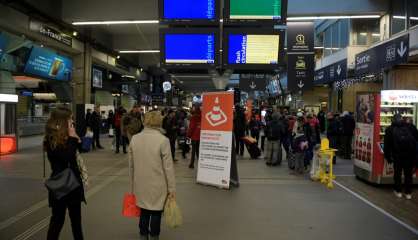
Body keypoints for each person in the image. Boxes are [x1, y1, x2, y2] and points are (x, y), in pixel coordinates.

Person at [128, 111, 176, 240]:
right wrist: (171, 189)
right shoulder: (163, 140)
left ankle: (143, 235)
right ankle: (154, 236)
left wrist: (132, 186)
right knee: (156, 212)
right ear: (159, 122)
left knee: (143, 211)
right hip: (158, 185)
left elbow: (131, 166)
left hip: (140, 184)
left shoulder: (135, 139)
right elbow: (168, 168)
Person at [44, 107, 85, 240]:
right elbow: (66, 157)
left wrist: (75, 139)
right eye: (70, 119)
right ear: (62, 121)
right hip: (61, 184)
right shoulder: (51, 139)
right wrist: (73, 139)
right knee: (57, 220)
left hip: (74, 184)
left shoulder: (68, 136)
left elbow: (77, 153)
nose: (72, 121)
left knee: (76, 221)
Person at [384, 114, 418, 200]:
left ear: (393, 120)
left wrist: (388, 157)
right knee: (408, 174)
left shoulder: (389, 129)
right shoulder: (411, 127)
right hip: (410, 155)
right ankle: (408, 193)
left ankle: (398, 191)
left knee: (397, 173)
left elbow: (387, 145)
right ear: (402, 119)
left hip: (397, 155)